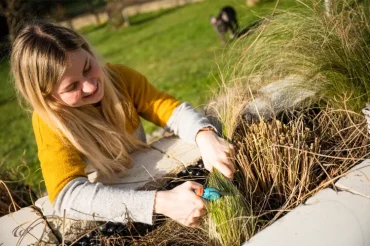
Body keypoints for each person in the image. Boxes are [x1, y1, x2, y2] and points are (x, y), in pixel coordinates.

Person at [10, 20, 235, 228]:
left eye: (88, 68)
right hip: (117, 213)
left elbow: (170, 110)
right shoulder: (49, 123)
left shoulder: (119, 77)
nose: (90, 86)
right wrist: (161, 203)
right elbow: (67, 196)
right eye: (72, 87)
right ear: (47, 97)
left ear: (88, 51)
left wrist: (204, 135)